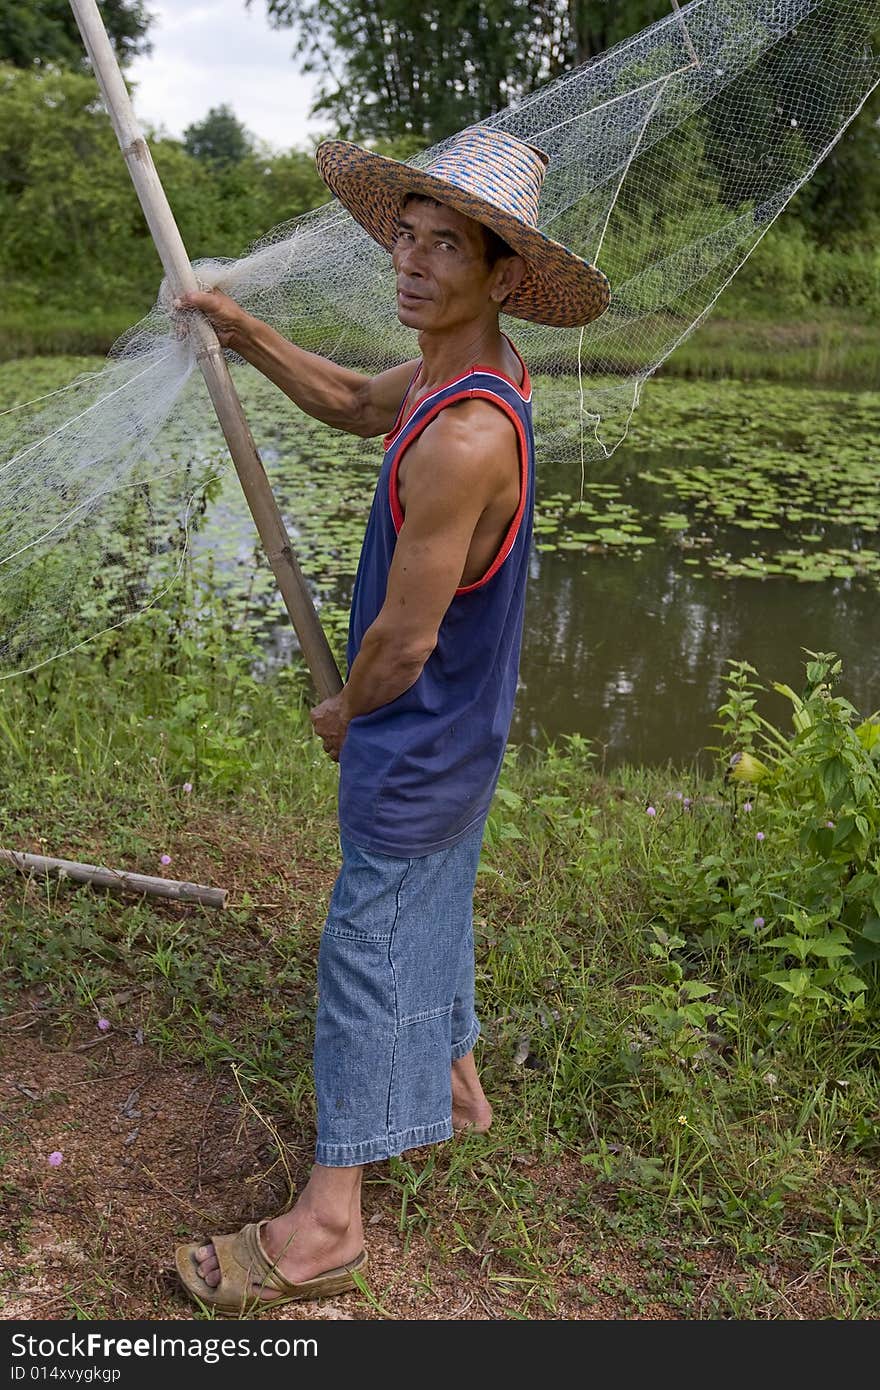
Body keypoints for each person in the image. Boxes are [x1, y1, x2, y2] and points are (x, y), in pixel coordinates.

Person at [174, 126, 609, 1314]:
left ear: (502, 273)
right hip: (462, 737)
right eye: (404, 239)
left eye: (444, 248)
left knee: (366, 953)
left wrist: (339, 707)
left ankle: (326, 1224)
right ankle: (455, 1088)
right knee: (431, 901)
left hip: (418, 738)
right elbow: (359, 401)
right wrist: (246, 332)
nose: (411, 266)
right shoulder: (455, 377)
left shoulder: (468, 436)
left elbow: (405, 642)